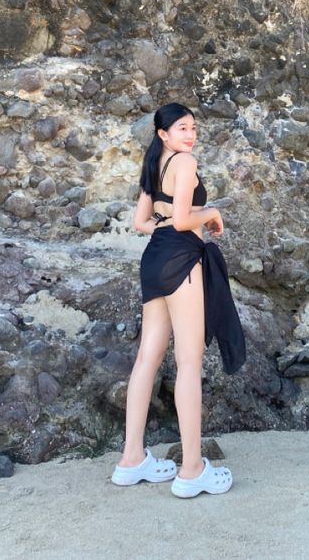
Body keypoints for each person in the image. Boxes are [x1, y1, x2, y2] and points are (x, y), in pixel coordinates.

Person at [111, 102, 246, 498]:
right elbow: (187, 218)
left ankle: (131, 459)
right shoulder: (185, 164)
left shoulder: (154, 165)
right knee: (188, 362)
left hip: (154, 258)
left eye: (193, 127)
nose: (190, 134)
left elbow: (140, 222)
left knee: (147, 360)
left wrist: (167, 223)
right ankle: (191, 470)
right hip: (182, 259)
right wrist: (212, 212)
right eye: (182, 128)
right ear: (163, 133)